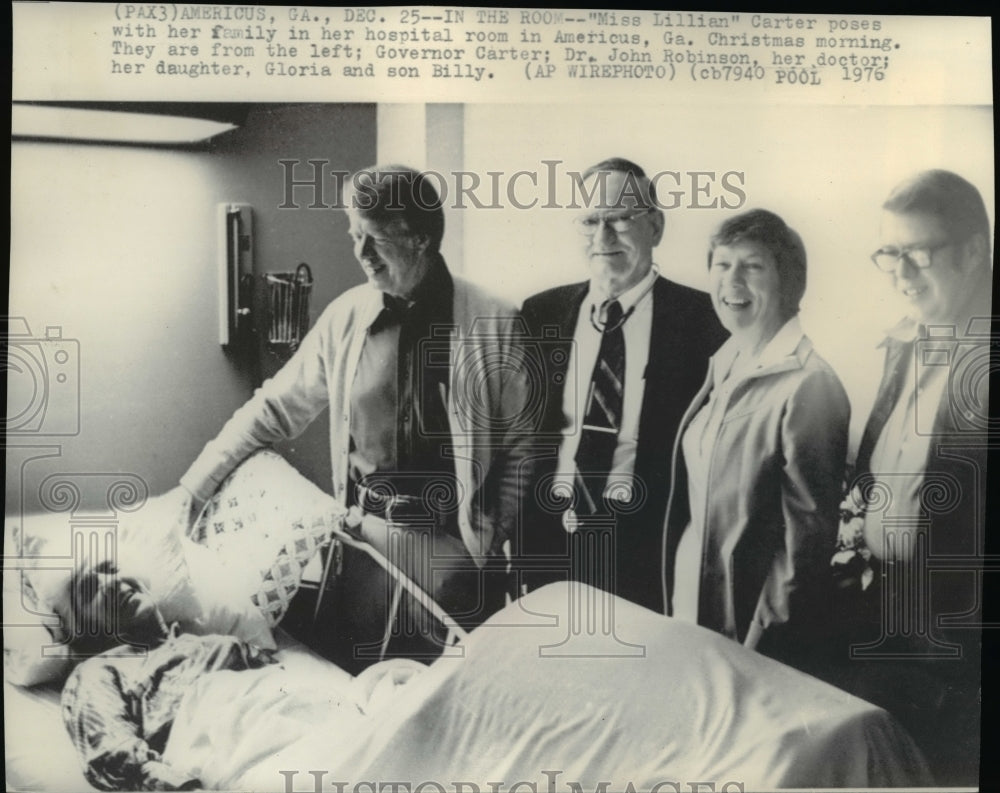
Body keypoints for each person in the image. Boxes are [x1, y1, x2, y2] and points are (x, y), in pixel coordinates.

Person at [181, 165, 535, 628]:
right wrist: (194, 488)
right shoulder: (346, 317)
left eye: (375, 238)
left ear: (420, 238)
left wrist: (485, 541)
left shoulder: (495, 321)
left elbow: (524, 448)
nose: (361, 253)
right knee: (359, 683)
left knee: (441, 692)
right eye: (354, 236)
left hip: (452, 554)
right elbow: (271, 411)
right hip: (362, 543)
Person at [833, 170, 992, 785]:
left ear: (974, 251)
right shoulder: (908, 342)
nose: (901, 273)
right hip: (885, 619)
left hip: (957, 649)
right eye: (889, 254)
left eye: (919, 254)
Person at [520, 158, 727, 612]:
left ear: (656, 226)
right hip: (550, 540)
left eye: (618, 219)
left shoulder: (707, 324)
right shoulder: (540, 314)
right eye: (590, 221)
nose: (602, 236)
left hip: (648, 551)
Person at [662, 209, 850, 671]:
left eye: (752, 266)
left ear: (789, 282)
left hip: (751, 634)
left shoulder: (809, 385)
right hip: (691, 610)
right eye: (722, 265)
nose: (732, 281)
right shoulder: (727, 361)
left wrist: (761, 651)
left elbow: (803, 550)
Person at [57, 560, 276, 791]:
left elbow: (284, 687)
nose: (111, 583)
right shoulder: (98, 671)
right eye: (90, 590)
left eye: (111, 570)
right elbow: (115, 755)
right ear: (90, 626)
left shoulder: (223, 645)